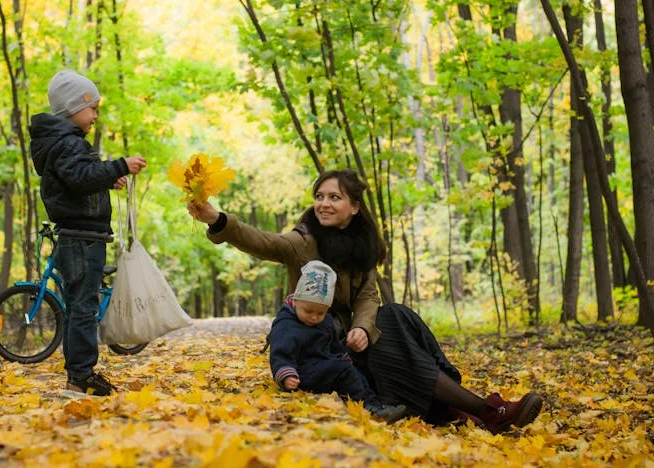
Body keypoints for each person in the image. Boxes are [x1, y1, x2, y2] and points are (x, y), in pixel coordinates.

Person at [188, 168, 544, 434]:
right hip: (324, 346)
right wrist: (218, 220)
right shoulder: (304, 241)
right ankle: (484, 409)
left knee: (397, 315)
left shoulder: (364, 246)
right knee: (390, 322)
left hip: (355, 339)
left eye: (334, 197)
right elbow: (264, 242)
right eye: (320, 196)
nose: (324, 204)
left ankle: (466, 409)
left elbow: (368, 296)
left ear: (355, 207)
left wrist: (361, 326)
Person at [30, 69, 147, 396]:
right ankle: (81, 376)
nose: (96, 114)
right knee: (83, 306)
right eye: (92, 108)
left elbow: (77, 180)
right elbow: (80, 177)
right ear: (72, 107)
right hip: (81, 237)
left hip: (84, 234)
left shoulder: (66, 143)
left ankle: (78, 374)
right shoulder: (67, 143)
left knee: (79, 304)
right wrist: (119, 165)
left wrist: (107, 179)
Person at [269, 260, 408, 424]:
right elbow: (279, 352)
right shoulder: (286, 323)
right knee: (343, 370)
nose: (314, 317)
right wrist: (286, 374)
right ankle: (368, 409)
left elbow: (333, 344)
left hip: (322, 366)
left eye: (320, 313)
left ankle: (377, 405)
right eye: (308, 311)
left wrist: (343, 355)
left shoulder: (325, 321)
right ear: (297, 300)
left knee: (354, 371)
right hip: (301, 371)